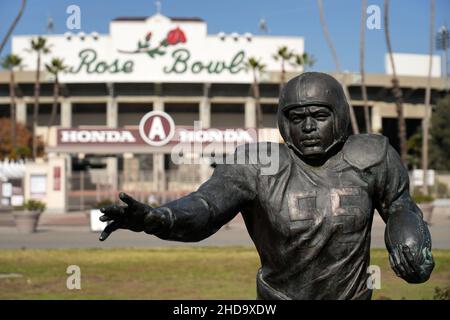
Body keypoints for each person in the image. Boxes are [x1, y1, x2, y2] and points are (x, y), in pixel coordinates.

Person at [98, 72, 434, 300]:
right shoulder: (256, 163)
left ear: (340, 115)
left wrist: (409, 241)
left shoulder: (371, 155)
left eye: (318, 115)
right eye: (296, 117)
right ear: (282, 120)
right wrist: (163, 218)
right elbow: (207, 205)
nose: (308, 126)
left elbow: (399, 205)